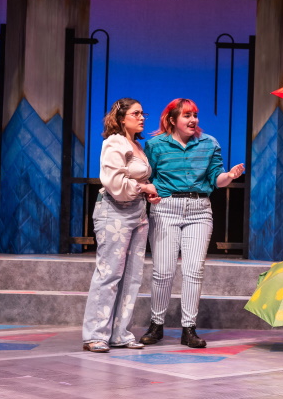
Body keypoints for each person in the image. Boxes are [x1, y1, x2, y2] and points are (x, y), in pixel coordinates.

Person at [139, 98, 244, 348]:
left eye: (195, 115)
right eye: (186, 115)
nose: (193, 119)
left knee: (193, 271)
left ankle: (189, 328)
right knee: (163, 271)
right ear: (172, 119)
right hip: (166, 208)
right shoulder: (155, 145)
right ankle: (156, 325)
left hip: (199, 210)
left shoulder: (209, 143)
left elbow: (216, 179)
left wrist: (228, 176)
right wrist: (148, 191)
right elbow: (148, 176)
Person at [82, 98, 158, 352]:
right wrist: (144, 187)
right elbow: (114, 184)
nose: (142, 117)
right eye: (136, 113)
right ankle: (95, 334)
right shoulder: (114, 142)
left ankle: (120, 332)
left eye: (142, 112)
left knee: (132, 276)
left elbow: (132, 181)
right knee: (109, 274)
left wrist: (148, 193)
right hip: (114, 214)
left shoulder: (137, 145)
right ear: (121, 117)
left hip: (137, 214)